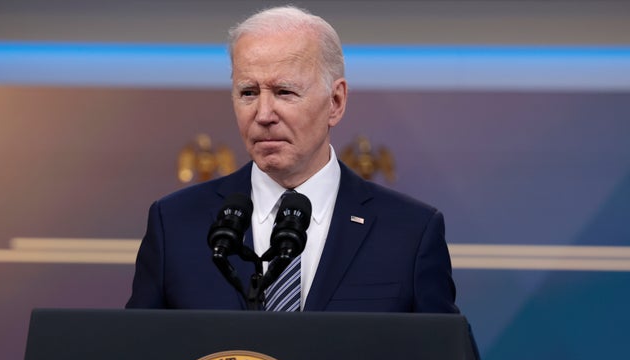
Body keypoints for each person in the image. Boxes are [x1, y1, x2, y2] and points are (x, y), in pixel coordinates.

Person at [126, 5, 458, 313]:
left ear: (336, 102)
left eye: (284, 92)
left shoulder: (409, 232)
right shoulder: (176, 224)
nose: (264, 114)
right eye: (248, 93)